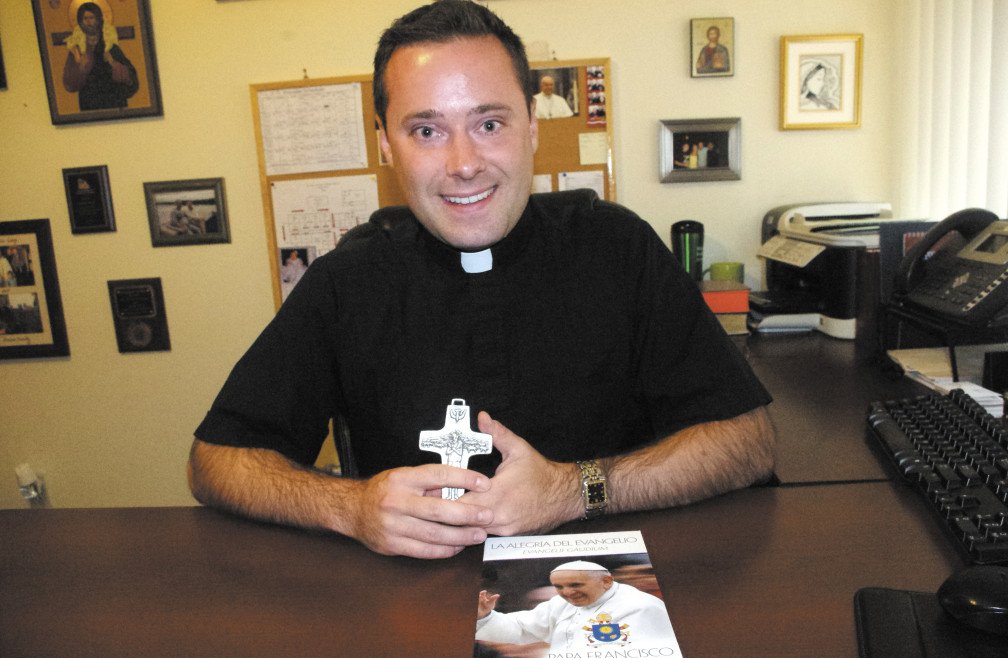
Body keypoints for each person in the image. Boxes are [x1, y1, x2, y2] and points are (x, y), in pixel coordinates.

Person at [188, 0, 775, 561]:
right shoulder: (345, 282)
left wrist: (576, 489)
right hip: (410, 609)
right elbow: (214, 461)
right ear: (385, 145)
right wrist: (351, 506)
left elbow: (747, 439)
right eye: (426, 131)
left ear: (532, 126)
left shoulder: (619, 249)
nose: (463, 163)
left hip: (602, 591)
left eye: (489, 123)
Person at [476, 561, 682, 658]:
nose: (569, 592)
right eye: (563, 586)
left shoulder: (641, 604)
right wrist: (486, 617)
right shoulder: (556, 607)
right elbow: (519, 628)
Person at [61, 2, 139, 111]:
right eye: (85, 18)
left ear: (99, 20)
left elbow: (132, 82)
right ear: (80, 22)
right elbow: (69, 84)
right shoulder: (77, 49)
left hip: (113, 103)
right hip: (89, 106)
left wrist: (113, 63)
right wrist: (81, 68)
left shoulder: (110, 47)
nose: (88, 22)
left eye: (91, 18)